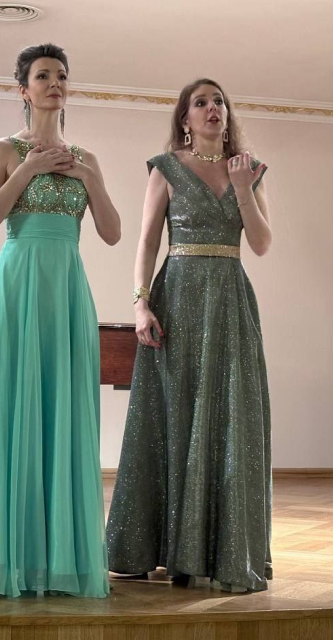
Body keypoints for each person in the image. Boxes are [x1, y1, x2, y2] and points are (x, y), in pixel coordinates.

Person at [0, 43, 120, 599]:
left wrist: (89, 177)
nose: (54, 82)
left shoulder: (87, 157)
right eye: (42, 75)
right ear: (24, 89)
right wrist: (27, 170)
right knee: (6, 409)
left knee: (63, 412)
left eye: (61, 75)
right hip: (18, 288)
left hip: (67, 291)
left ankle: (57, 561)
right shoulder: (4, 149)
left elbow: (112, 232)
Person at [106, 78, 272, 593]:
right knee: (170, 418)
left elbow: (261, 244)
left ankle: (221, 553)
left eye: (218, 101)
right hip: (176, 300)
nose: (212, 108)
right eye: (201, 102)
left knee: (229, 418)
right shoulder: (166, 168)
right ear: (185, 118)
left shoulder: (250, 170)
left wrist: (243, 188)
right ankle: (148, 548)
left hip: (230, 303)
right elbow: (147, 241)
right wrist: (140, 303)